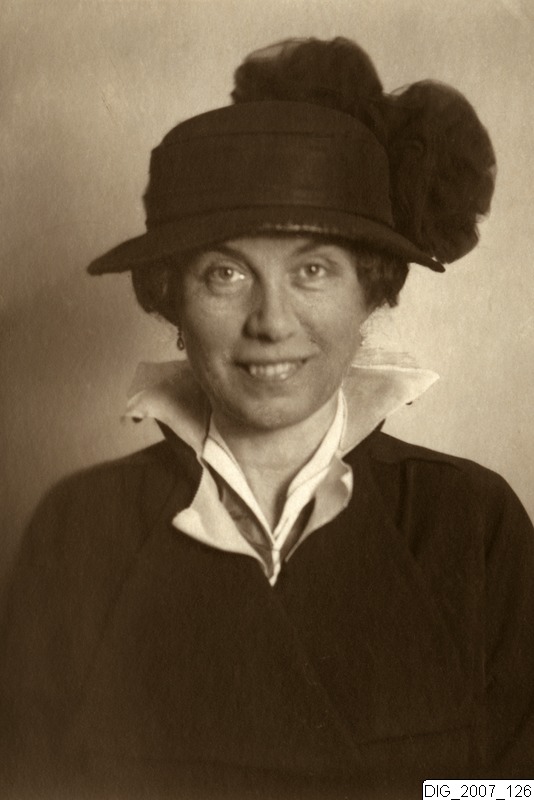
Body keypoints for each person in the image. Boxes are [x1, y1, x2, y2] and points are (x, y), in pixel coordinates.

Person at [1, 36, 533, 800]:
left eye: (313, 270)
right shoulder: (77, 530)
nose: (272, 322)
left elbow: (513, 793)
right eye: (225, 273)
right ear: (171, 299)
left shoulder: (471, 525)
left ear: (371, 292)